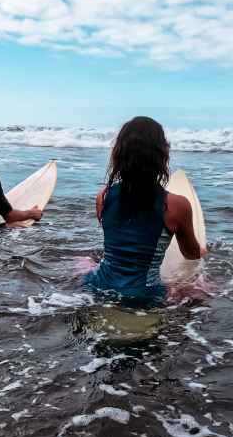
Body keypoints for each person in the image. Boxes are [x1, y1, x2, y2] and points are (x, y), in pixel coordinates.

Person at [83, 116, 203, 306]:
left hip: (98, 284)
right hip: (143, 295)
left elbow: (124, 240)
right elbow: (191, 254)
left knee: (88, 262)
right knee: (204, 291)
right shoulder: (176, 204)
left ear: (118, 154)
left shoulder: (103, 196)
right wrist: (201, 250)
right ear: (162, 155)